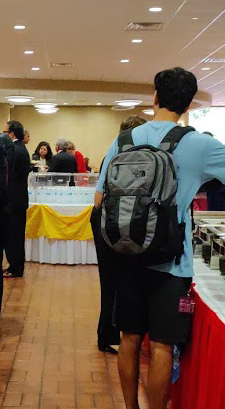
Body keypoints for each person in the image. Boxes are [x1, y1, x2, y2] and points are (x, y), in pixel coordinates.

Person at [95, 67, 225, 409]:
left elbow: (101, 198)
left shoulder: (124, 138)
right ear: (189, 104)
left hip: (127, 255)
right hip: (172, 261)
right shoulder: (199, 143)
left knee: (129, 338)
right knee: (162, 346)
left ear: (154, 97)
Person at [91, 115, 148, 355]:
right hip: (112, 221)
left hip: (109, 220)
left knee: (113, 281)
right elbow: (99, 198)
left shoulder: (115, 153)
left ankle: (109, 334)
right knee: (114, 282)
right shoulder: (121, 156)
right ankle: (108, 335)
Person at [3, 120, 30, 278]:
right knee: (17, 235)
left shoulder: (14, 149)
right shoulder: (21, 148)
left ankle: (15, 267)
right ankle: (16, 266)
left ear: (12, 134)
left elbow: (10, 176)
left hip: (13, 200)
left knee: (13, 236)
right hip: (19, 199)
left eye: (5, 132)